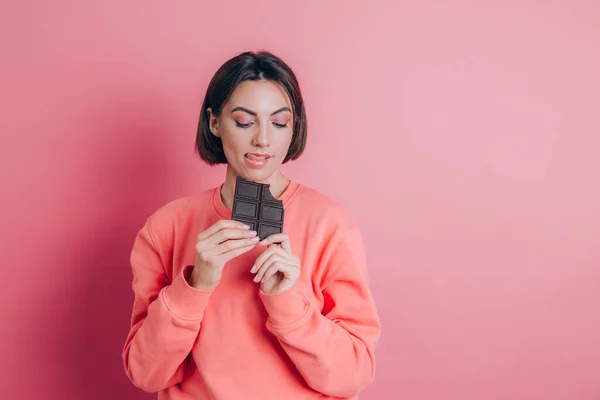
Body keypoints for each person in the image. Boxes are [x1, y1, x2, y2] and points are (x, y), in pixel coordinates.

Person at [122, 50, 381, 400]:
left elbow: (353, 375)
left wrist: (287, 304)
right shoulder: (166, 227)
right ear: (214, 122)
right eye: (244, 121)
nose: (262, 139)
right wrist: (195, 285)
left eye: (279, 123)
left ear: (295, 126)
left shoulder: (331, 226)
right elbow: (145, 373)